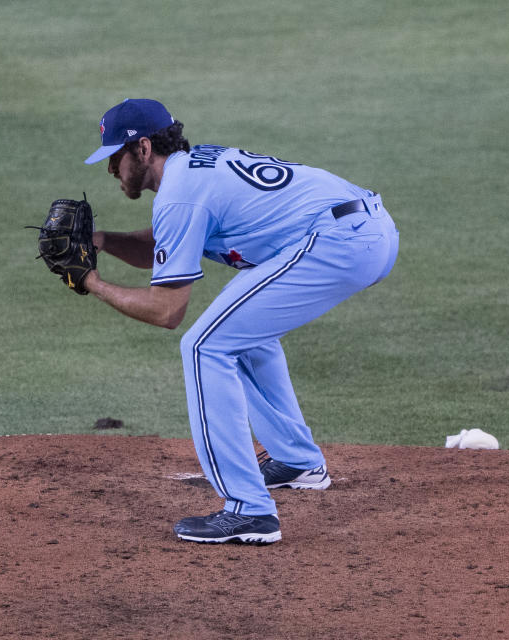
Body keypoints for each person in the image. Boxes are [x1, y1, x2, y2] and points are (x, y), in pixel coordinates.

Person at [80, 98, 399, 544]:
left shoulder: (180, 195)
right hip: (361, 230)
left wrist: (91, 283)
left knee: (204, 345)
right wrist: (100, 241)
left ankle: (248, 511)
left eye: (116, 156)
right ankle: (295, 460)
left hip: (338, 241)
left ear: (144, 149)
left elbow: (166, 311)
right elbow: (166, 241)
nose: (111, 169)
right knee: (240, 332)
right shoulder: (193, 170)